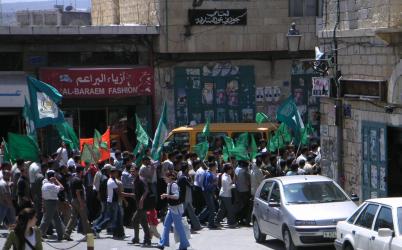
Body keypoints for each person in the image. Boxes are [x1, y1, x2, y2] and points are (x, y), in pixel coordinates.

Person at [157, 171, 190, 250]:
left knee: (179, 227)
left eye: (166, 177)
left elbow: (176, 196)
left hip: (176, 209)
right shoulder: (169, 184)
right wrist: (166, 196)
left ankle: (184, 245)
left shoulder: (174, 184)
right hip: (171, 208)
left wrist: (166, 195)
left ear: (170, 177)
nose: (164, 178)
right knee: (166, 225)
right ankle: (162, 243)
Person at [63, 166, 90, 241]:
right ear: (81, 171)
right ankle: (88, 235)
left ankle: (66, 233)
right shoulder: (78, 180)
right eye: (83, 170)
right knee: (84, 218)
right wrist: (81, 203)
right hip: (79, 200)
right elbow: (78, 192)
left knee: (73, 218)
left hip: (73, 200)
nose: (84, 172)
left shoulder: (72, 179)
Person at [39, 170, 65, 241]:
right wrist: (56, 180)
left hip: (47, 202)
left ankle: (60, 235)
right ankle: (38, 235)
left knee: (57, 219)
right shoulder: (51, 186)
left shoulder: (44, 184)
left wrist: (43, 205)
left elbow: (43, 196)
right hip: (52, 203)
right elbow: (62, 187)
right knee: (46, 220)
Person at [131, 164, 152, 246]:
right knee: (143, 222)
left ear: (137, 171)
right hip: (139, 204)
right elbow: (136, 194)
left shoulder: (141, 179)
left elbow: (146, 191)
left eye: (133, 171)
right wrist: (125, 194)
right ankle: (147, 239)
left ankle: (137, 238)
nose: (132, 173)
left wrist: (141, 200)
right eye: (131, 171)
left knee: (134, 220)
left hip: (142, 205)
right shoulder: (135, 180)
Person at [178, 162, 201, 231]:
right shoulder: (184, 178)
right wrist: (190, 178)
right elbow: (191, 185)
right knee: (181, 213)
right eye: (188, 169)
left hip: (185, 197)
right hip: (185, 198)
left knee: (191, 212)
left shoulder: (180, 174)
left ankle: (197, 226)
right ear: (186, 170)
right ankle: (175, 226)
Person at [214, 163, 237, 228]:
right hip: (226, 195)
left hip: (224, 194)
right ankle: (232, 223)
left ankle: (216, 221)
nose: (231, 171)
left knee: (222, 209)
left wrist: (232, 182)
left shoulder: (227, 175)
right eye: (230, 170)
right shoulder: (225, 177)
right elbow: (227, 187)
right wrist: (234, 185)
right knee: (230, 209)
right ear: (227, 170)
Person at [199, 161, 219, 229]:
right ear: (213, 167)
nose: (216, 167)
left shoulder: (207, 173)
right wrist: (214, 183)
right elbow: (207, 186)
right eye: (215, 166)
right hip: (208, 193)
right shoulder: (209, 174)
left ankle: (198, 219)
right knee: (212, 209)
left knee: (208, 208)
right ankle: (211, 224)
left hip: (207, 192)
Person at [234, 160, 251, 226]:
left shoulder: (236, 169)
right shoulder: (245, 171)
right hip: (245, 191)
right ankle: (242, 219)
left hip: (239, 190)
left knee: (240, 206)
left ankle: (239, 219)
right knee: (245, 207)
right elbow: (248, 183)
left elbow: (235, 180)